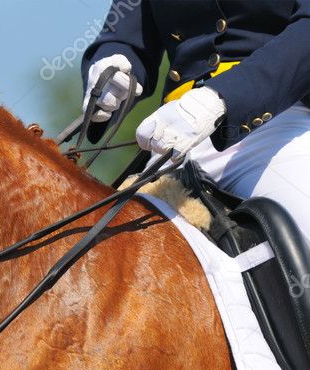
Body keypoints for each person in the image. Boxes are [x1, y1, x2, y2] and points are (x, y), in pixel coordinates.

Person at [80, 0, 310, 239]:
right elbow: (126, 35)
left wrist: (222, 97)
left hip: (276, 125)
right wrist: (113, 64)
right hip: (173, 134)